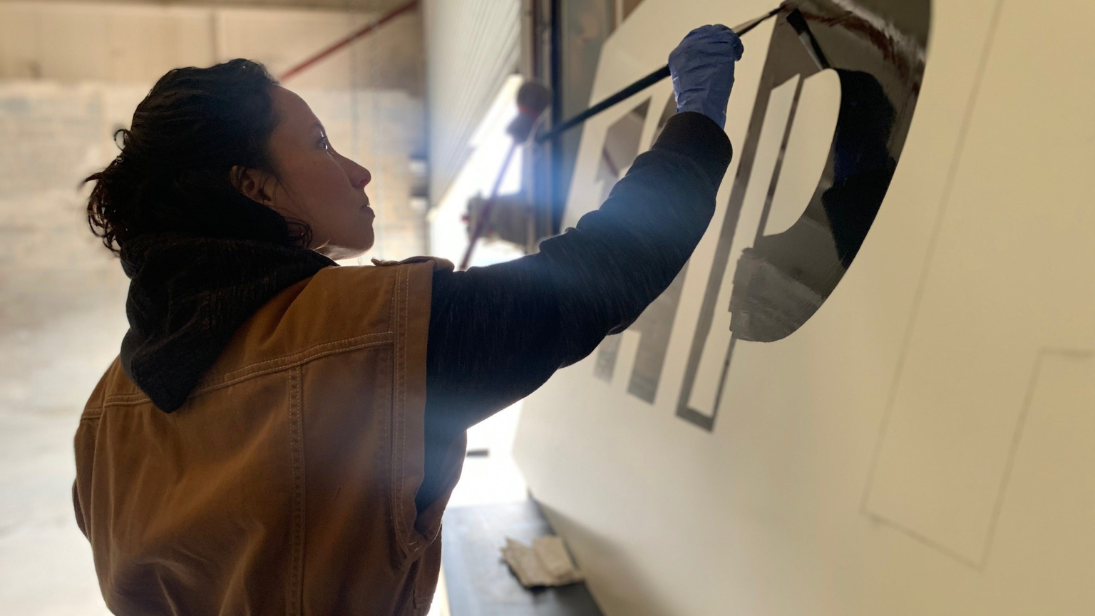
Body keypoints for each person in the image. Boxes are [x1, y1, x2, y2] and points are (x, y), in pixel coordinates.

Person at [72, 24, 743, 615]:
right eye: (320, 143)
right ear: (256, 187)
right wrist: (697, 121)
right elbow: (603, 271)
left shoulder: (104, 413)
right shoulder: (370, 333)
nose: (358, 172)